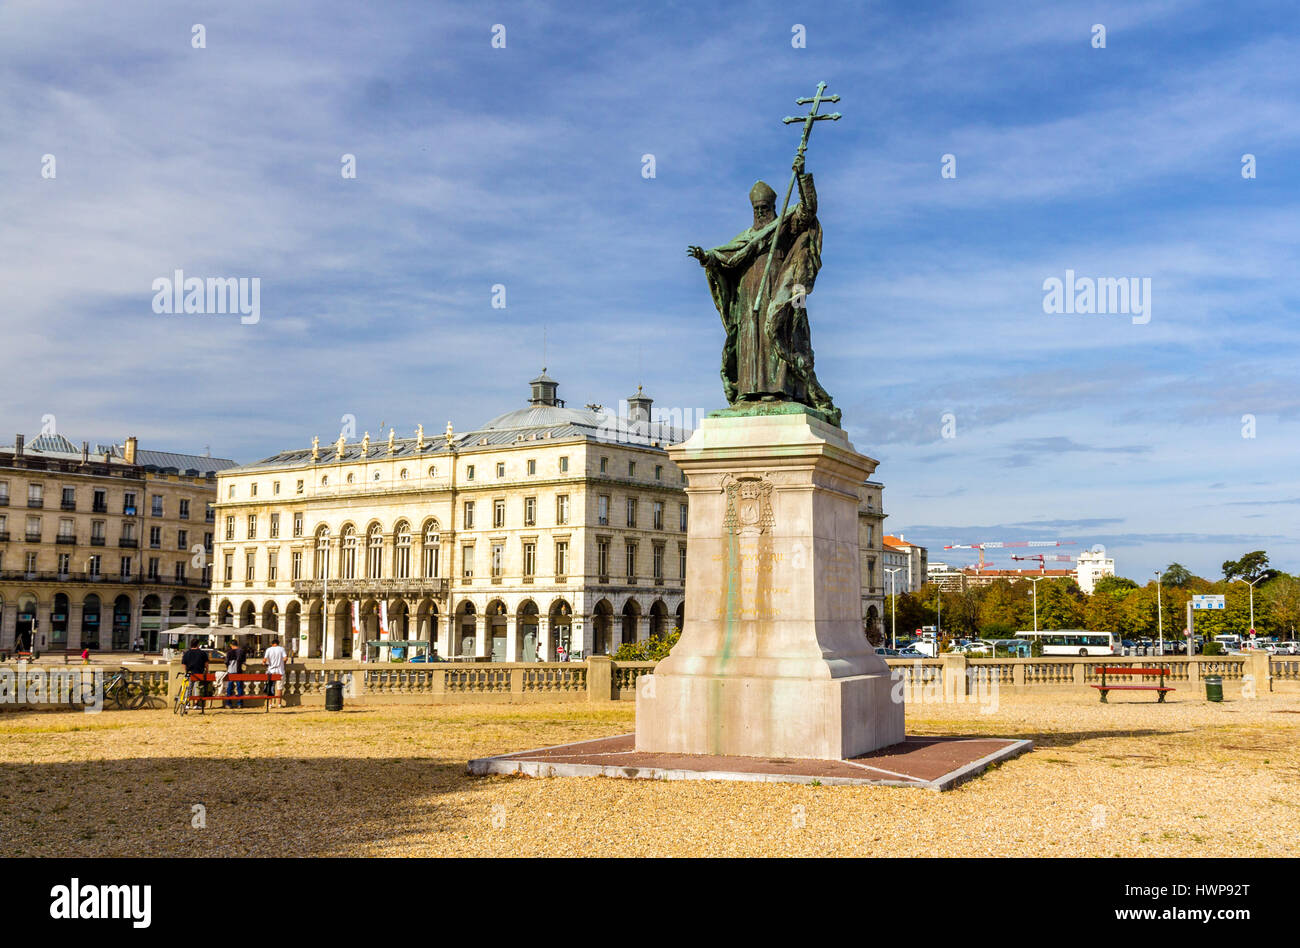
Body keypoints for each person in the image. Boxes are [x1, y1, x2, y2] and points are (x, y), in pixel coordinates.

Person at [181, 638, 209, 705]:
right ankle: (196, 704)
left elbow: (183, 664)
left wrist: (186, 672)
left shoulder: (187, 653)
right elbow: (206, 664)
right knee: (197, 689)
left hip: (190, 673)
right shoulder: (202, 653)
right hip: (199, 673)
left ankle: (187, 703)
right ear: (198, 644)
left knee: (188, 688)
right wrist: (206, 671)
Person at [263, 637, 288, 708]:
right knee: (279, 688)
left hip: (271, 671)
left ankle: (270, 704)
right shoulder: (281, 649)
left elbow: (264, 660)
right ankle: (279, 703)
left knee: (270, 687)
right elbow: (285, 658)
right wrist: (283, 663)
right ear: (278, 644)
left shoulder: (268, 649)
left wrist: (264, 663)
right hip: (280, 671)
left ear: (272, 644)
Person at [224, 638, 246, 709]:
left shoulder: (229, 652)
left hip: (231, 671)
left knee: (229, 688)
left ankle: (228, 703)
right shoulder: (242, 651)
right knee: (239, 687)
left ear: (231, 645)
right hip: (239, 671)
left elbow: (226, 662)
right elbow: (244, 661)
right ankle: (240, 703)